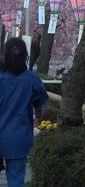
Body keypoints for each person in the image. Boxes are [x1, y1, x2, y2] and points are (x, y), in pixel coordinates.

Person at [0, 38, 49, 187]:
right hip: (19, 136)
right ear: (25, 55)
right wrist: (39, 118)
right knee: (16, 179)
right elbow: (39, 103)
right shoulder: (32, 79)